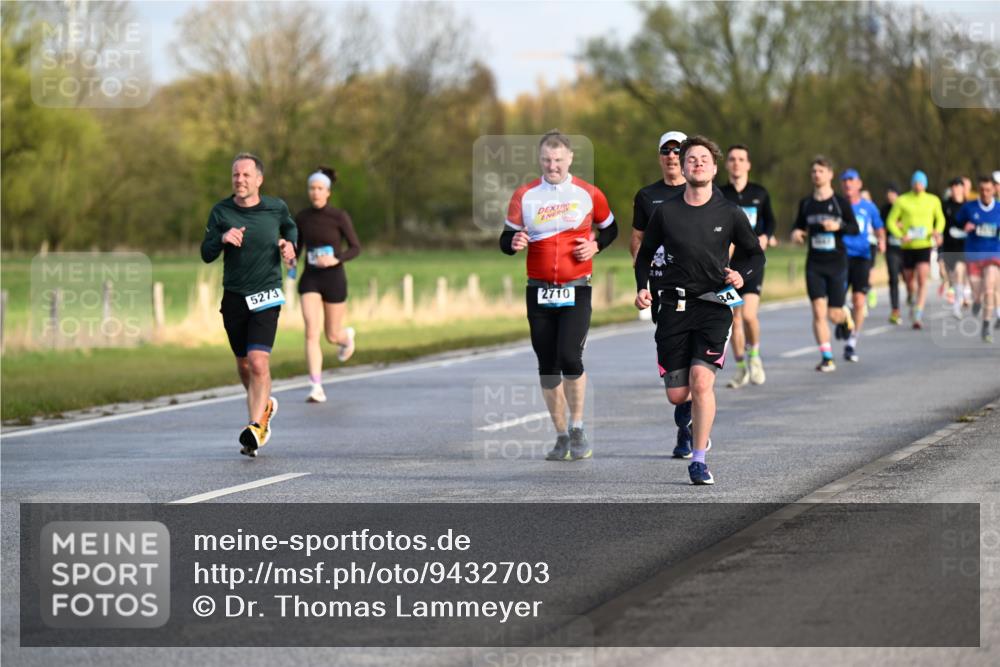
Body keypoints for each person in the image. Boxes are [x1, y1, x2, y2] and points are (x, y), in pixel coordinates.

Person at [634, 135, 764, 485]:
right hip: (673, 305)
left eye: (704, 159)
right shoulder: (666, 212)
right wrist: (642, 288)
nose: (698, 164)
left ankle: (699, 459)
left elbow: (755, 254)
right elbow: (645, 256)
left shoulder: (730, 212)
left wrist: (741, 274)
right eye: (691, 159)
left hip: (715, 304)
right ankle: (690, 416)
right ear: (683, 166)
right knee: (678, 393)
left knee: (702, 381)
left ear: (714, 167)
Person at [500, 130, 618, 461]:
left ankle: (578, 426)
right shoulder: (525, 195)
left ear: (570, 159)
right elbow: (506, 239)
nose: (552, 166)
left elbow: (611, 228)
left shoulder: (588, 193)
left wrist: (596, 246)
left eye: (558, 160)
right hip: (538, 290)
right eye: (546, 160)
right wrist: (513, 243)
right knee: (547, 364)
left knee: (570, 357)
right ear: (539, 160)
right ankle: (562, 435)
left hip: (576, 288)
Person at [201, 153, 298, 457]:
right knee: (244, 364)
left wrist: (289, 245)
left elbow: (291, 229)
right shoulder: (221, 211)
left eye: (246, 175)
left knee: (258, 362)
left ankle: (255, 427)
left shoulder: (276, 208)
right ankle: (264, 407)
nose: (240, 180)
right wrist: (222, 238)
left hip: (266, 294)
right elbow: (206, 253)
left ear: (259, 179)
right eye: (235, 175)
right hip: (234, 297)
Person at [631, 130, 694, 456]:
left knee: (698, 359)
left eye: (678, 150)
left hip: (698, 288)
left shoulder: (701, 190)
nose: (672, 156)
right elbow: (638, 241)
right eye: (666, 150)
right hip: (662, 288)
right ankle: (685, 418)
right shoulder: (647, 196)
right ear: (659, 156)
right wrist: (642, 283)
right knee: (674, 357)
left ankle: (691, 425)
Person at [292, 166, 362, 403]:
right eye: (312, 188)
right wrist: (289, 258)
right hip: (310, 279)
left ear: (328, 192)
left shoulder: (339, 217)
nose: (315, 192)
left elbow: (356, 248)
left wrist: (336, 259)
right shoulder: (302, 218)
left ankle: (345, 337)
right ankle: (316, 387)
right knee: (311, 332)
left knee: (331, 335)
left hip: (334, 279)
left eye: (320, 188)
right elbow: (297, 249)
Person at [790, 156, 860, 372]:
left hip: (837, 263)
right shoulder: (806, 203)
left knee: (833, 314)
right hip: (814, 264)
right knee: (818, 312)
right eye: (814, 171)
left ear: (830, 174)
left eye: (821, 171)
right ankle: (827, 357)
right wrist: (796, 233)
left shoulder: (840, 202)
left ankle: (845, 316)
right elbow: (797, 226)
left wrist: (838, 226)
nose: (816, 175)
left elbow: (854, 228)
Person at [720, 144, 776, 388]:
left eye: (741, 159)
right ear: (726, 164)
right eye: (732, 159)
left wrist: (765, 236)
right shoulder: (719, 193)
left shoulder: (759, 193)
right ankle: (741, 366)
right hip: (727, 265)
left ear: (748, 164)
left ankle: (754, 356)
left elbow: (770, 221)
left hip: (752, 262)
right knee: (735, 318)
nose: (736, 163)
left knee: (750, 315)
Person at [885, 170, 945, 329]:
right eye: (916, 182)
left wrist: (937, 231)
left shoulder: (933, 200)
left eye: (921, 182)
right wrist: (900, 235)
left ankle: (918, 311)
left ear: (925, 184)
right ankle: (911, 294)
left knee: (922, 278)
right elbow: (890, 221)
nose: (918, 185)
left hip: (924, 244)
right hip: (908, 246)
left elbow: (940, 218)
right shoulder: (902, 200)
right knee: (909, 280)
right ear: (912, 183)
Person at [840, 168, 885, 362]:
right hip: (840, 256)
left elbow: (879, 227)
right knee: (837, 301)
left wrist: (882, 240)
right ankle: (844, 320)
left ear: (859, 184)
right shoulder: (837, 204)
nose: (848, 184)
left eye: (851, 180)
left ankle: (852, 342)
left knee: (859, 301)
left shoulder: (869, 207)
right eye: (845, 181)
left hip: (862, 256)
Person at [957, 175, 1000, 343]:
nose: (985, 193)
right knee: (978, 294)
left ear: (994, 190)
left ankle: (986, 324)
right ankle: (976, 301)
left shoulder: (999, 208)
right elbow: (955, 223)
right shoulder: (969, 208)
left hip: (993, 254)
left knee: (989, 288)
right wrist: (964, 226)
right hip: (973, 255)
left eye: (988, 190)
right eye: (982, 190)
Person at [941, 177, 971, 319]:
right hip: (948, 246)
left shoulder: (968, 206)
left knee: (960, 272)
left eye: (958, 186)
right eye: (953, 186)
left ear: (962, 188)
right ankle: (962, 293)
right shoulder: (944, 206)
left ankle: (956, 305)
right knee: (952, 276)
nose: (955, 189)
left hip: (964, 246)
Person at [880, 183, 905, 324]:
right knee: (893, 279)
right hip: (891, 249)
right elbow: (881, 228)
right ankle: (895, 309)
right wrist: (882, 241)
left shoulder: (905, 207)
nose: (890, 197)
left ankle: (912, 298)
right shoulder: (884, 210)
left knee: (908, 278)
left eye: (892, 194)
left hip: (906, 248)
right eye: (888, 194)